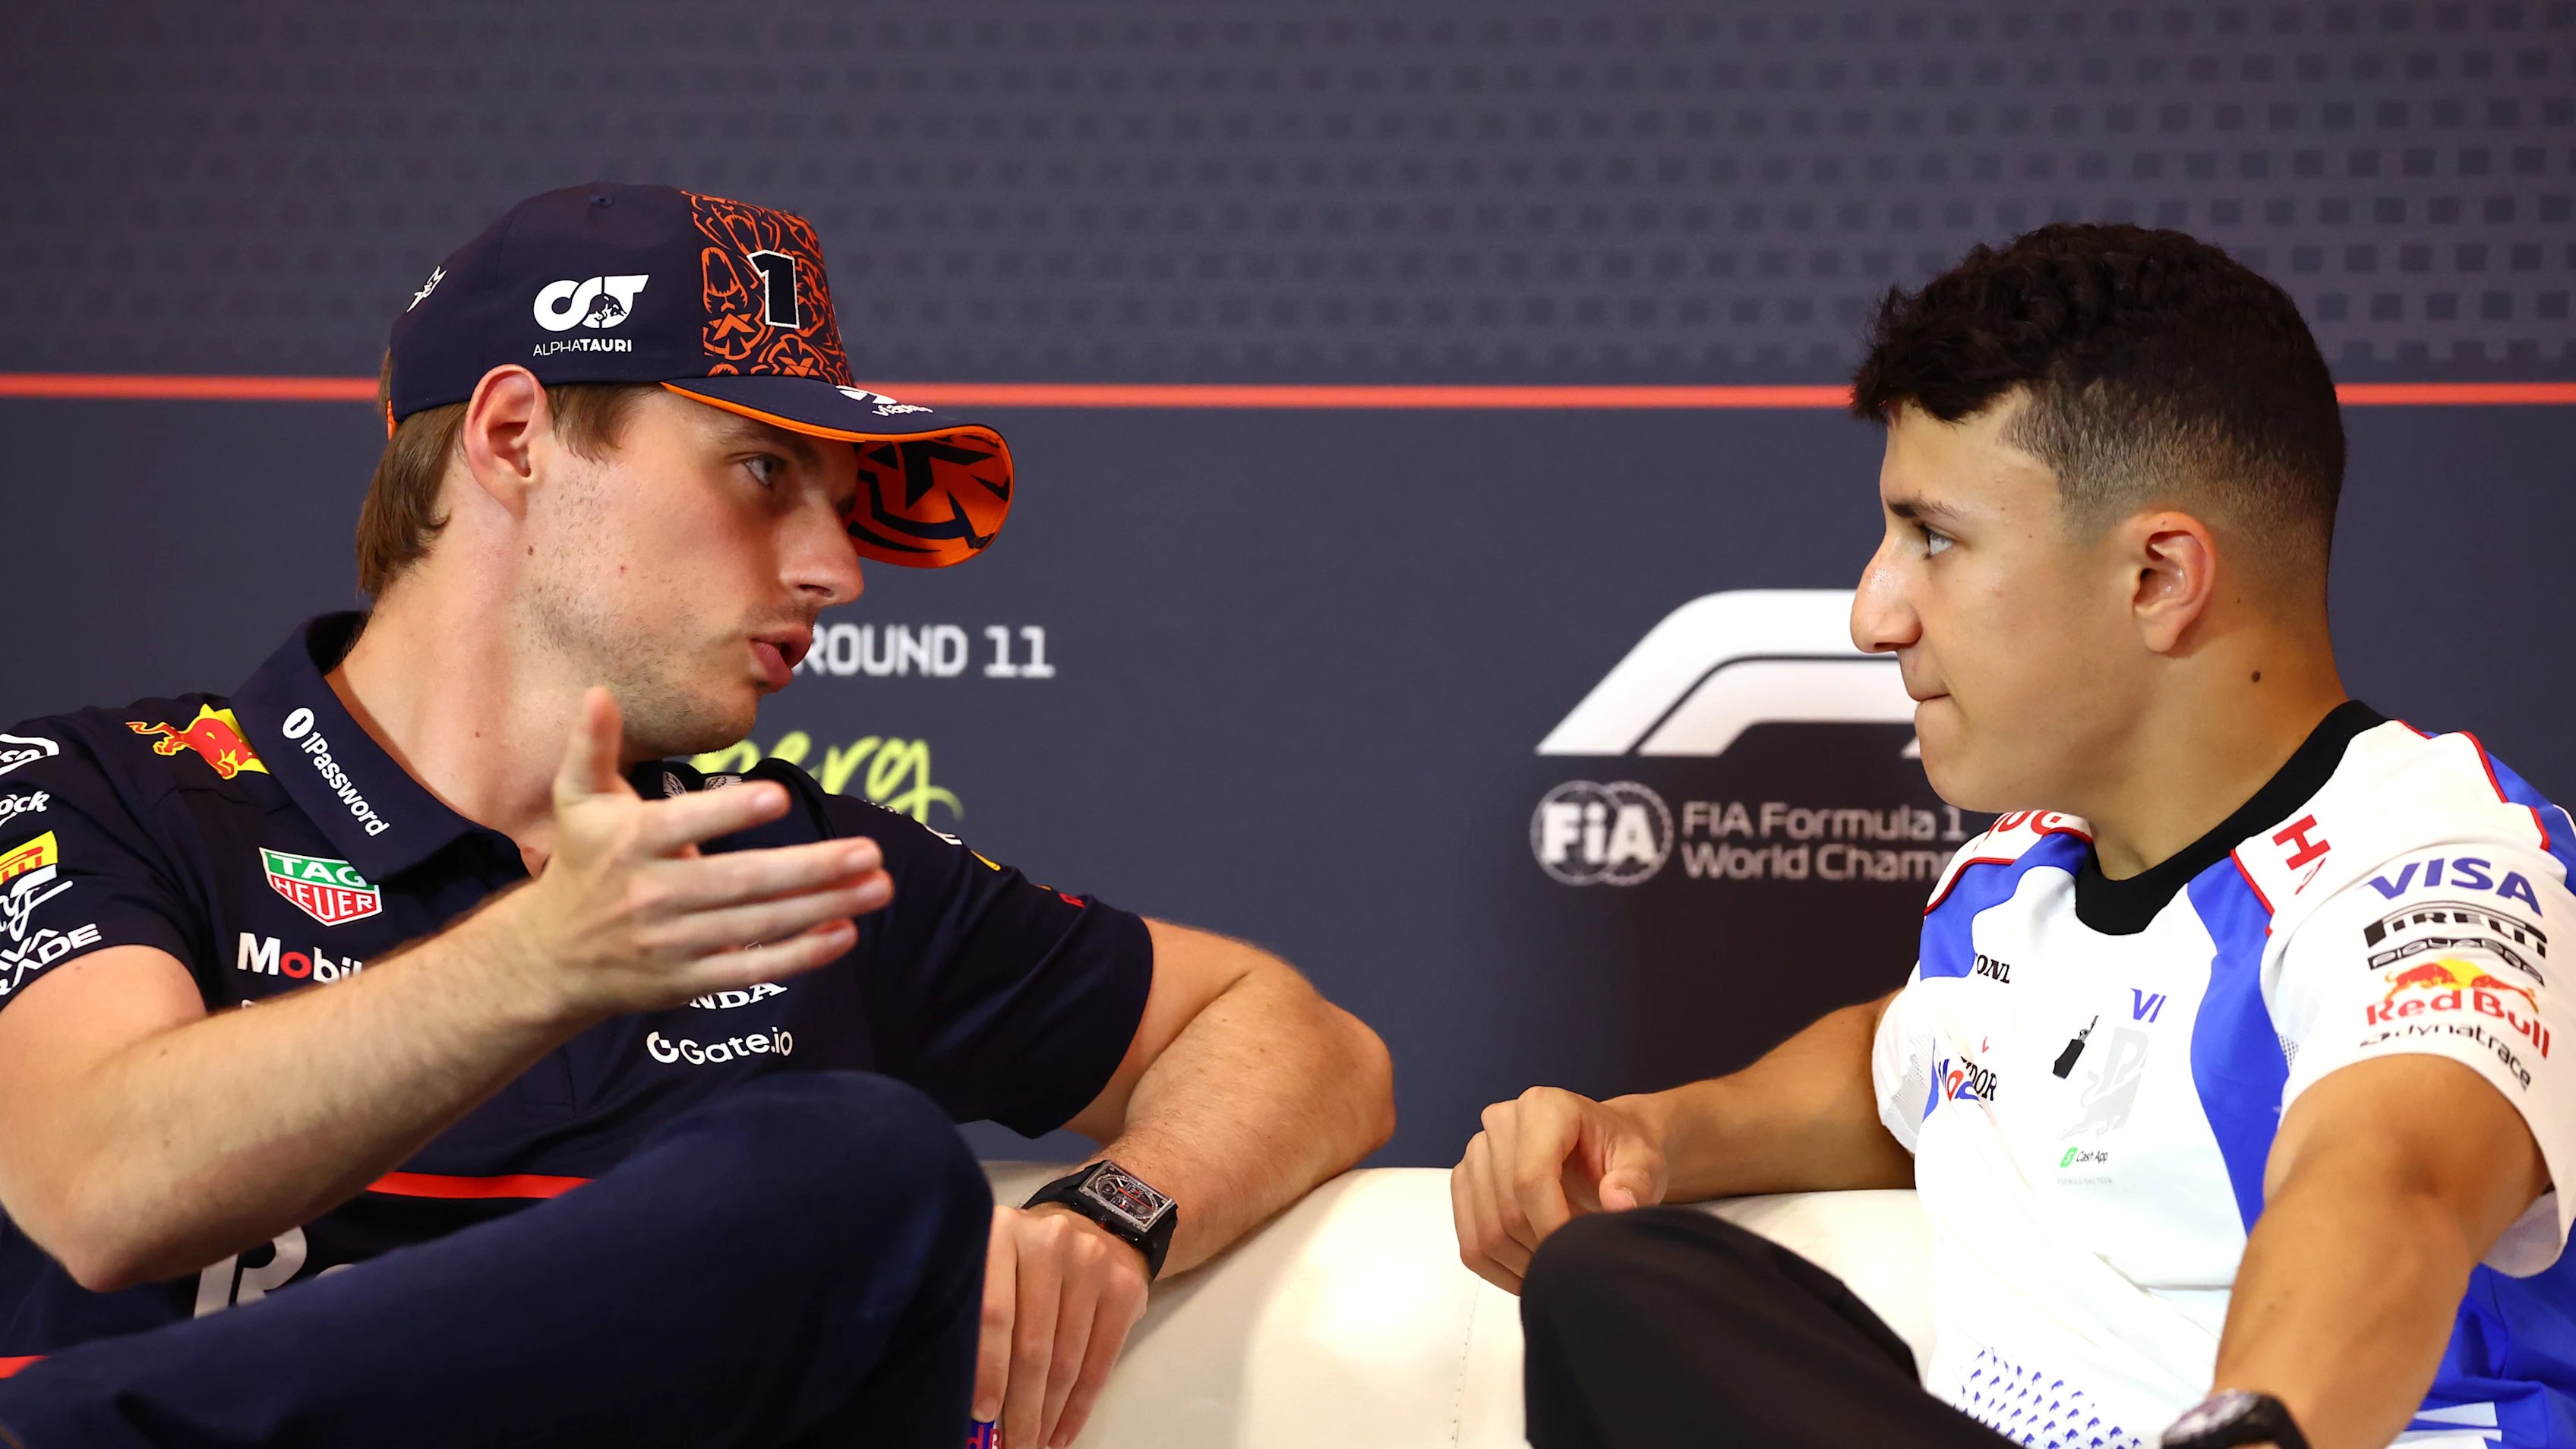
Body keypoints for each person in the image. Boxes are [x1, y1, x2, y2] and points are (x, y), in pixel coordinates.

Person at [0, 183, 1394, 1449]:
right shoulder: (102, 788)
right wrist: (540, 961)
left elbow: (1303, 1040)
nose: (838, 570)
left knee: (865, 1171)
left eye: (842, 504)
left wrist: (1114, 1213)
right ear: (513, 437)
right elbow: (101, 1188)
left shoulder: (786, 863)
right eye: (764, 472)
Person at [1452, 224, 2576, 1449]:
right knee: (1618, 1287)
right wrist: (1652, 1137)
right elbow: (1900, 1066)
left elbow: (2389, 1185)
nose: (1873, 613)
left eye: (1934, 538)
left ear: (2159, 577)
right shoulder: (2008, 888)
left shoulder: (2443, 865)